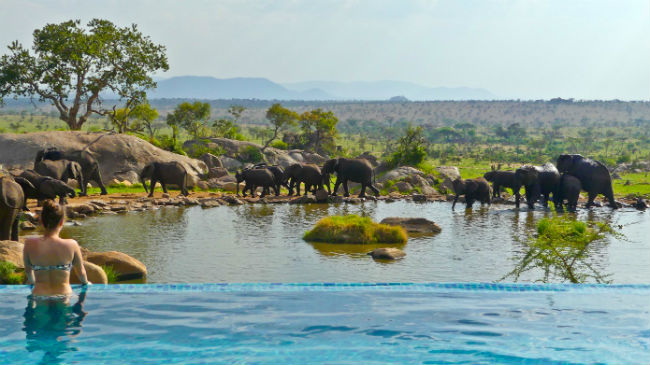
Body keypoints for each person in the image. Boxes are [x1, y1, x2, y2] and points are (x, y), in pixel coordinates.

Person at [23, 199, 90, 300]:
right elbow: (81, 273)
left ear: (41, 221)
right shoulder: (72, 244)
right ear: (62, 222)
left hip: (39, 294)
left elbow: (28, 272)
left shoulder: (29, 244)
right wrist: (86, 283)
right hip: (64, 295)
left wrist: (33, 283)